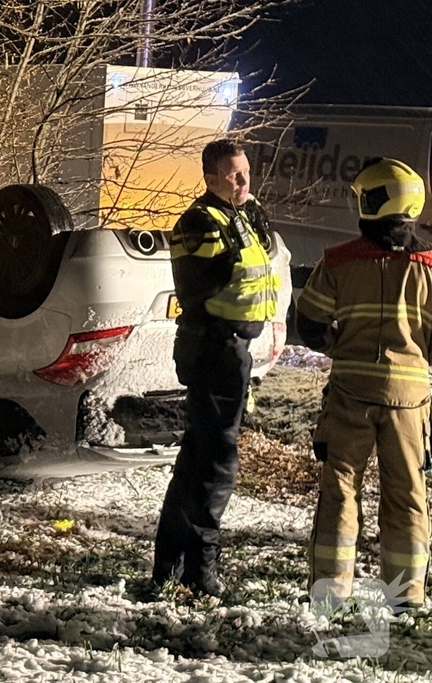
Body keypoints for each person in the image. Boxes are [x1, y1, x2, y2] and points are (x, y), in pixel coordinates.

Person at [296, 157, 432, 610]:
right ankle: (406, 597)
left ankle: (330, 592)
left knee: (340, 488)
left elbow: (308, 323)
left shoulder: (338, 261)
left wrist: (340, 348)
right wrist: (422, 356)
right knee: (407, 494)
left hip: (349, 394)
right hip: (409, 400)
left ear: (372, 202)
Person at [152, 139, 280, 597]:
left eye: (246, 170)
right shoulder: (200, 223)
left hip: (232, 350)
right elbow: (200, 290)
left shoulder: (243, 214)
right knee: (216, 464)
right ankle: (199, 570)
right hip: (214, 349)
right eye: (232, 174)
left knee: (197, 460)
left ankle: (170, 564)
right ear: (209, 177)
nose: (244, 180)